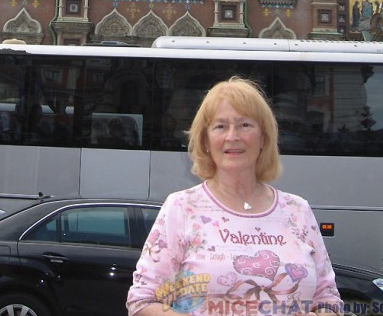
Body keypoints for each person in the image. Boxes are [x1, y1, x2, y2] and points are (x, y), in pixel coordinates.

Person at [127, 77, 342, 316]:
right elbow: (142, 302)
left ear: (263, 139)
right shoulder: (181, 208)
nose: (233, 136)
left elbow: (328, 300)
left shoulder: (297, 210)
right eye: (220, 126)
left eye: (245, 125)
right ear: (206, 141)